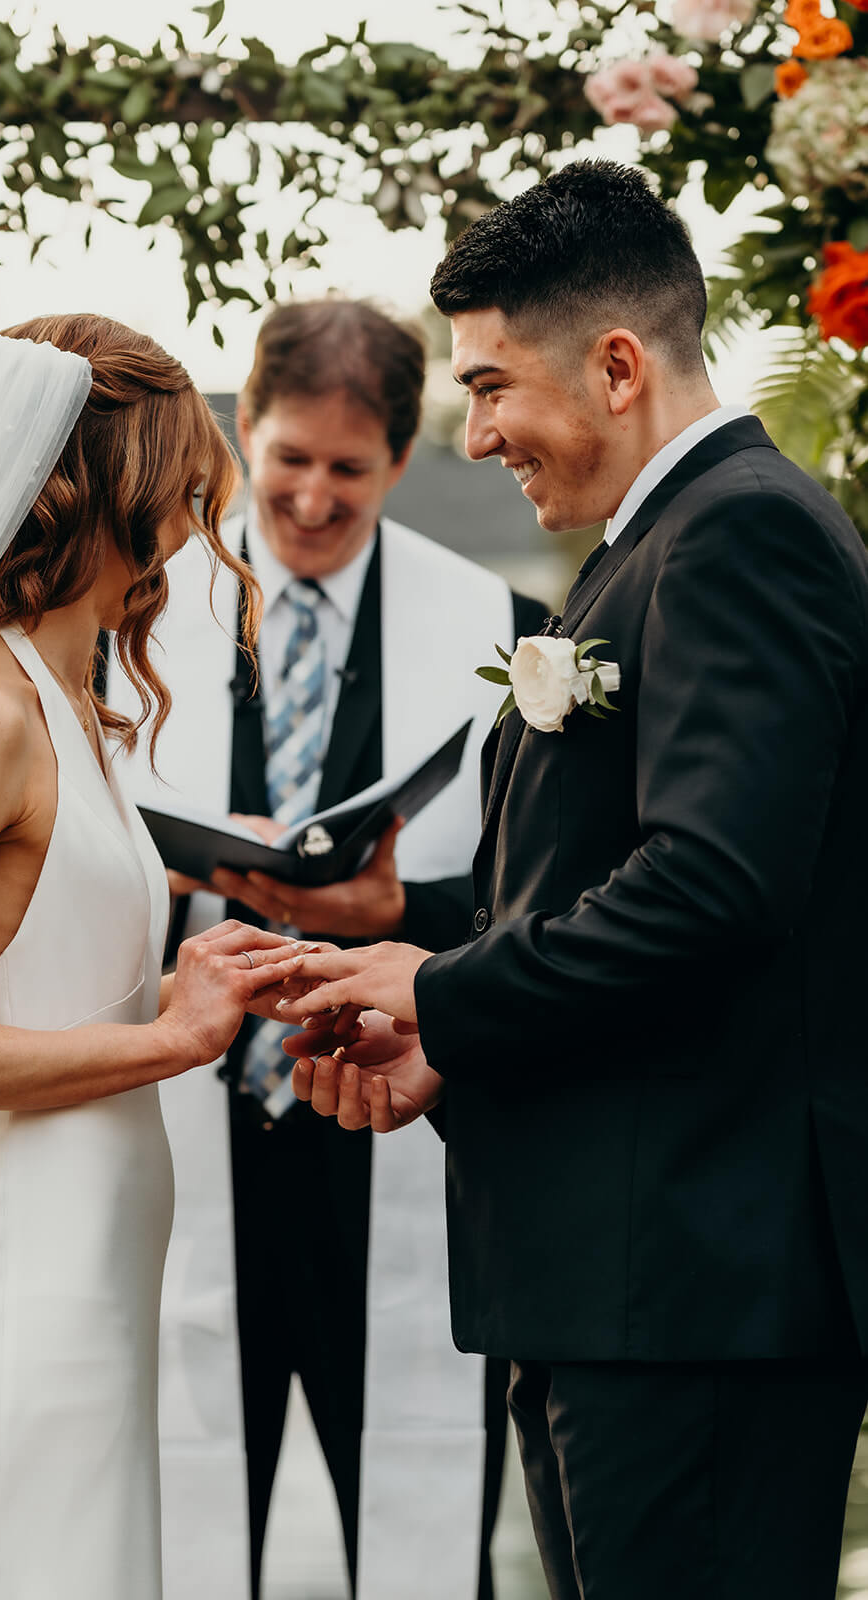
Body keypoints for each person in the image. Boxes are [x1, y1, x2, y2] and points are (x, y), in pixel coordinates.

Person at [284, 161, 868, 1600]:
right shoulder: (655, 545)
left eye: (488, 387)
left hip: (693, 1290)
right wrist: (407, 946)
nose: (472, 436)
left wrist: (444, 993)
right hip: (629, 1280)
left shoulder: (738, 535)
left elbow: (710, 890)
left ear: (615, 367)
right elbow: (617, 874)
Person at [0, 315, 304, 1600]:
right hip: (16, 1264)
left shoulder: (63, 700)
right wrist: (175, 1036)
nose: (196, 527)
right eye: (187, 485)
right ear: (120, 487)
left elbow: (55, 942)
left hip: (95, 1255)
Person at [108, 298, 548, 1600]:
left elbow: (538, 901)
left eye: (347, 470)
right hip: (185, 1140)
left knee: (418, 1529)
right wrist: (171, 857)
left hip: (389, 1137)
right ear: (246, 430)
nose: (309, 496)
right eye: (287, 457)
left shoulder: (503, 630)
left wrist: (391, 915)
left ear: (400, 461)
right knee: (168, 1526)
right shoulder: (133, 609)